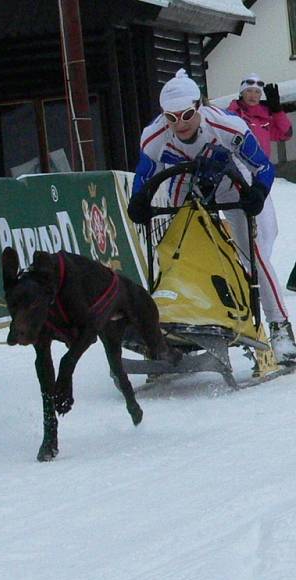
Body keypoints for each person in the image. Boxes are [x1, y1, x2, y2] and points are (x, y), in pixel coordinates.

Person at [127, 68, 296, 362]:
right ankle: (179, 318)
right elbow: (144, 174)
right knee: (176, 250)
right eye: (171, 117)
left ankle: (280, 327)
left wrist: (257, 193)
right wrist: (138, 200)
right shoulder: (153, 136)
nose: (180, 124)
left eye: (186, 115)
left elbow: (263, 168)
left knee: (251, 253)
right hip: (183, 179)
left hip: (231, 179)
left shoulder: (227, 127)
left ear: (199, 107)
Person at [227, 75, 296, 293]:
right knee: (251, 227)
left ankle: (255, 270)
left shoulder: (263, 116)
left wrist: (277, 110)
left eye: (258, 92)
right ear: (241, 93)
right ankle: (252, 272)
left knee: (270, 230)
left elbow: (285, 133)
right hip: (240, 175)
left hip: (261, 176)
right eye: (249, 92)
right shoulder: (232, 114)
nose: (254, 96)